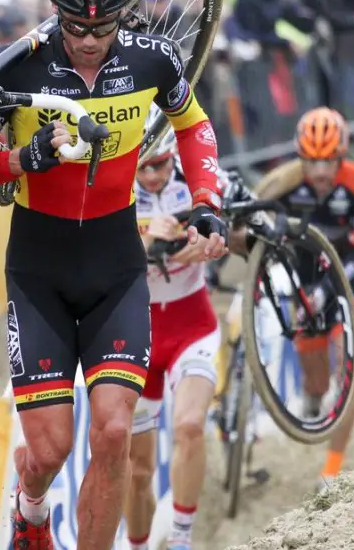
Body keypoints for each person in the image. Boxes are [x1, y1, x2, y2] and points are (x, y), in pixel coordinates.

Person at [0, 0, 228, 549]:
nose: (86, 40)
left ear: (123, 13)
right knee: (48, 450)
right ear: (54, 11)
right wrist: (25, 159)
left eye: (101, 27)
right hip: (38, 270)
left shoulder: (150, 58)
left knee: (113, 434)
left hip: (115, 267)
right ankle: (30, 512)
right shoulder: (17, 64)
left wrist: (208, 199)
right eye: (74, 27)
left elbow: (195, 126)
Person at [229, 107, 354, 495]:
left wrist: (328, 292)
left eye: (329, 161)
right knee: (315, 379)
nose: (321, 172)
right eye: (312, 162)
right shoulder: (282, 183)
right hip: (302, 278)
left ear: (342, 155)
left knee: (349, 370)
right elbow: (242, 223)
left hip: (345, 278)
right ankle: (313, 396)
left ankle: (332, 466)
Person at [125, 134, 221, 550]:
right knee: (139, 469)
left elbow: (230, 218)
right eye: (143, 167)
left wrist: (209, 238)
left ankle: (181, 540)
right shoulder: (116, 189)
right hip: (135, 336)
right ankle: (138, 545)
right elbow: (99, 256)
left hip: (190, 325)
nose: (151, 175)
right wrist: (147, 242)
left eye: (160, 165)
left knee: (189, 426)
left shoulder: (192, 179)